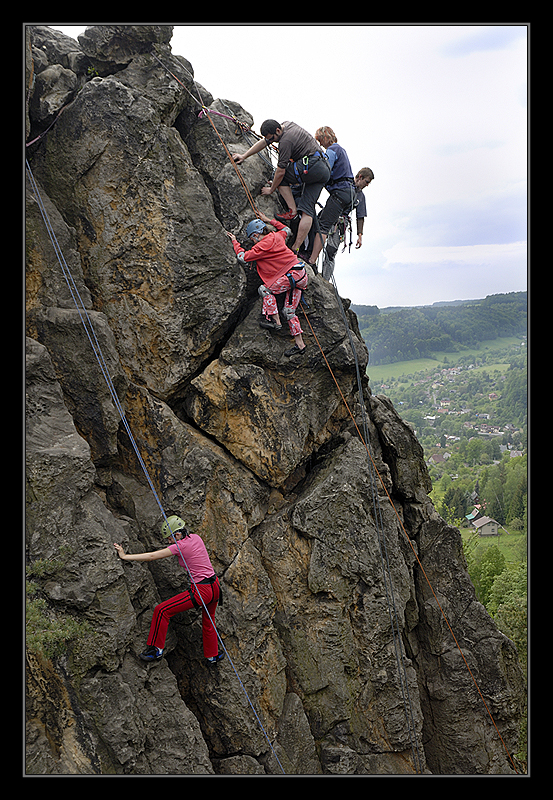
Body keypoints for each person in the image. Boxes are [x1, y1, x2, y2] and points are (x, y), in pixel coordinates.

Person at [114, 516, 224, 664]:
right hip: (215, 587)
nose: (168, 541)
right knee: (209, 620)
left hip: (201, 591)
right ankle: (212, 656)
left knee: (162, 610)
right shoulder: (196, 538)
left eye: (169, 538)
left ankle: (156, 650)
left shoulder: (179, 546)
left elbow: (152, 556)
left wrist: (125, 556)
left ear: (177, 535)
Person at [232, 119, 330, 254]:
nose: (273, 142)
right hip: (323, 170)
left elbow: (281, 171)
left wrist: (272, 189)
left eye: (273, 138)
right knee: (308, 210)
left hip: (311, 165)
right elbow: (264, 142)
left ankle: (292, 211)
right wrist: (244, 155)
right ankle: (296, 247)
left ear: (277, 131)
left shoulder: (285, 141)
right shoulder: (286, 125)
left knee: (280, 177)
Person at [226, 211, 308, 358]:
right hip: (300, 274)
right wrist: (269, 220)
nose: (253, 242)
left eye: (252, 238)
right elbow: (286, 230)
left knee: (265, 290)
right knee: (289, 311)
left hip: (291, 276)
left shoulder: (261, 246)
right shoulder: (277, 236)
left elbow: (242, 257)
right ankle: (300, 345)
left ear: (256, 235)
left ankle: (275, 321)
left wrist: (235, 242)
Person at [309, 127, 373, 266]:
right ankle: (311, 256)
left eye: (320, 140)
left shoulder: (333, 150)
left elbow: (326, 168)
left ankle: (312, 259)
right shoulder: (341, 152)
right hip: (341, 198)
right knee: (319, 222)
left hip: (340, 206)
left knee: (323, 229)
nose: (320, 144)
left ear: (326, 138)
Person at [319, 166, 374, 281]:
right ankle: (310, 264)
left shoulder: (360, 197)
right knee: (316, 239)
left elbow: (360, 216)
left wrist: (360, 235)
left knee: (331, 251)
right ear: (360, 177)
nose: (367, 185)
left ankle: (325, 280)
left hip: (340, 223)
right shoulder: (344, 184)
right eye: (367, 181)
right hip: (329, 214)